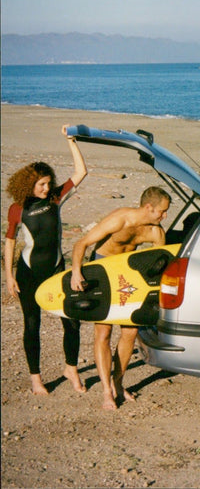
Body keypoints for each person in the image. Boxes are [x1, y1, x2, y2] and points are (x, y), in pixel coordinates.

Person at [70, 186, 171, 409]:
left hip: (126, 275)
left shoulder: (156, 232)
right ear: (148, 207)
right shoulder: (119, 220)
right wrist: (77, 271)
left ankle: (118, 382)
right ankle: (107, 391)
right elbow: (82, 243)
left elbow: (160, 266)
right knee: (104, 331)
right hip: (103, 271)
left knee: (130, 331)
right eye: (162, 211)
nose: (165, 216)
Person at [3, 125, 88, 395]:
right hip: (28, 273)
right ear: (30, 184)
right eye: (41, 184)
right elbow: (10, 242)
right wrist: (8, 276)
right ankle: (36, 379)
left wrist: (71, 142)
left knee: (71, 320)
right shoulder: (17, 209)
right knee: (32, 325)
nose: (46, 187)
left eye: (48, 183)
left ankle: (71, 369)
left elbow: (80, 173)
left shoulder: (55, 199)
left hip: (56, 270)